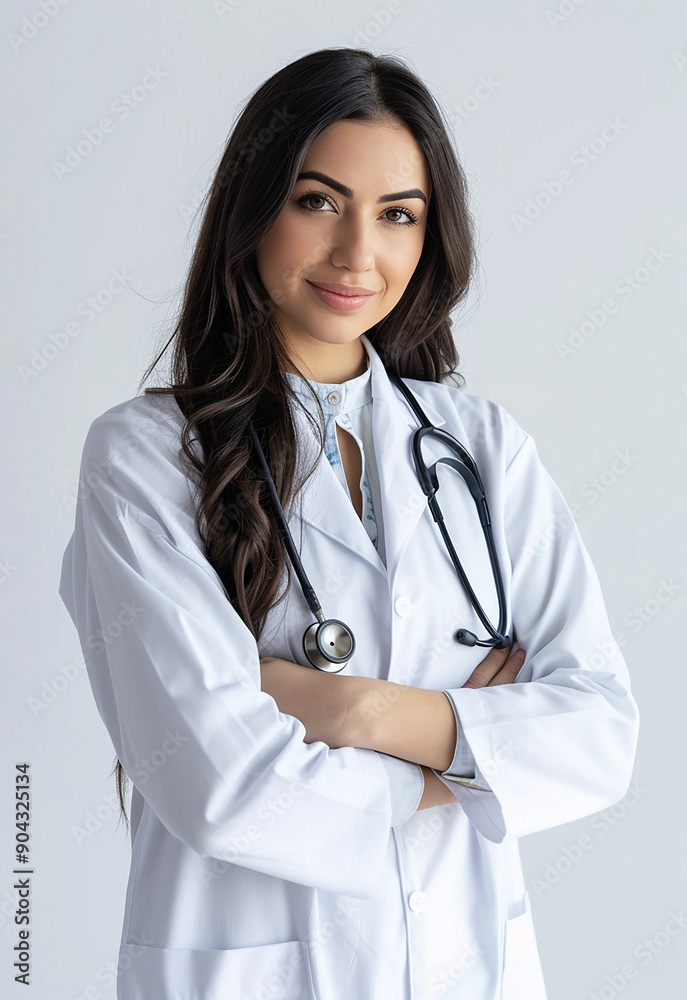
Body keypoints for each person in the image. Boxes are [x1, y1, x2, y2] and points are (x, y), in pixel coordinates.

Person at [58, 47, 639, 1000]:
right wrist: (466, 757)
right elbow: (222, 783)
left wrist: (348, 710)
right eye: (317, 201)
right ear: (254, 206)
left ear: (430, 235)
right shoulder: (144, 457)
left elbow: (598, 735)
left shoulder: (481, 446)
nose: (356, 254)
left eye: (397, 214)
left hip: (470, 965)